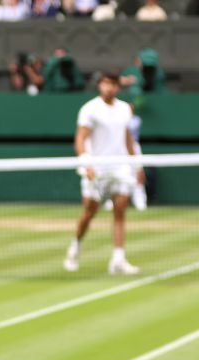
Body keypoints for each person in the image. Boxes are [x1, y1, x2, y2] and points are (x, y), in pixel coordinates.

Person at [67, 72, 144, 275]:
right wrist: (86, 163)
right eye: (105, 84)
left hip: (120, 167)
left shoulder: (125, 109)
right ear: (99, 86)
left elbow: (128, 140)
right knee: (89, 212)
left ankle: (118, 259)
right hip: (96, 168)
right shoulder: (89, 109)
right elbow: (81, 139)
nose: (108, 87)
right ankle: (75, 247)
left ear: (117, 87)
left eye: (112, 84)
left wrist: (137, 166)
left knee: (120, 212)